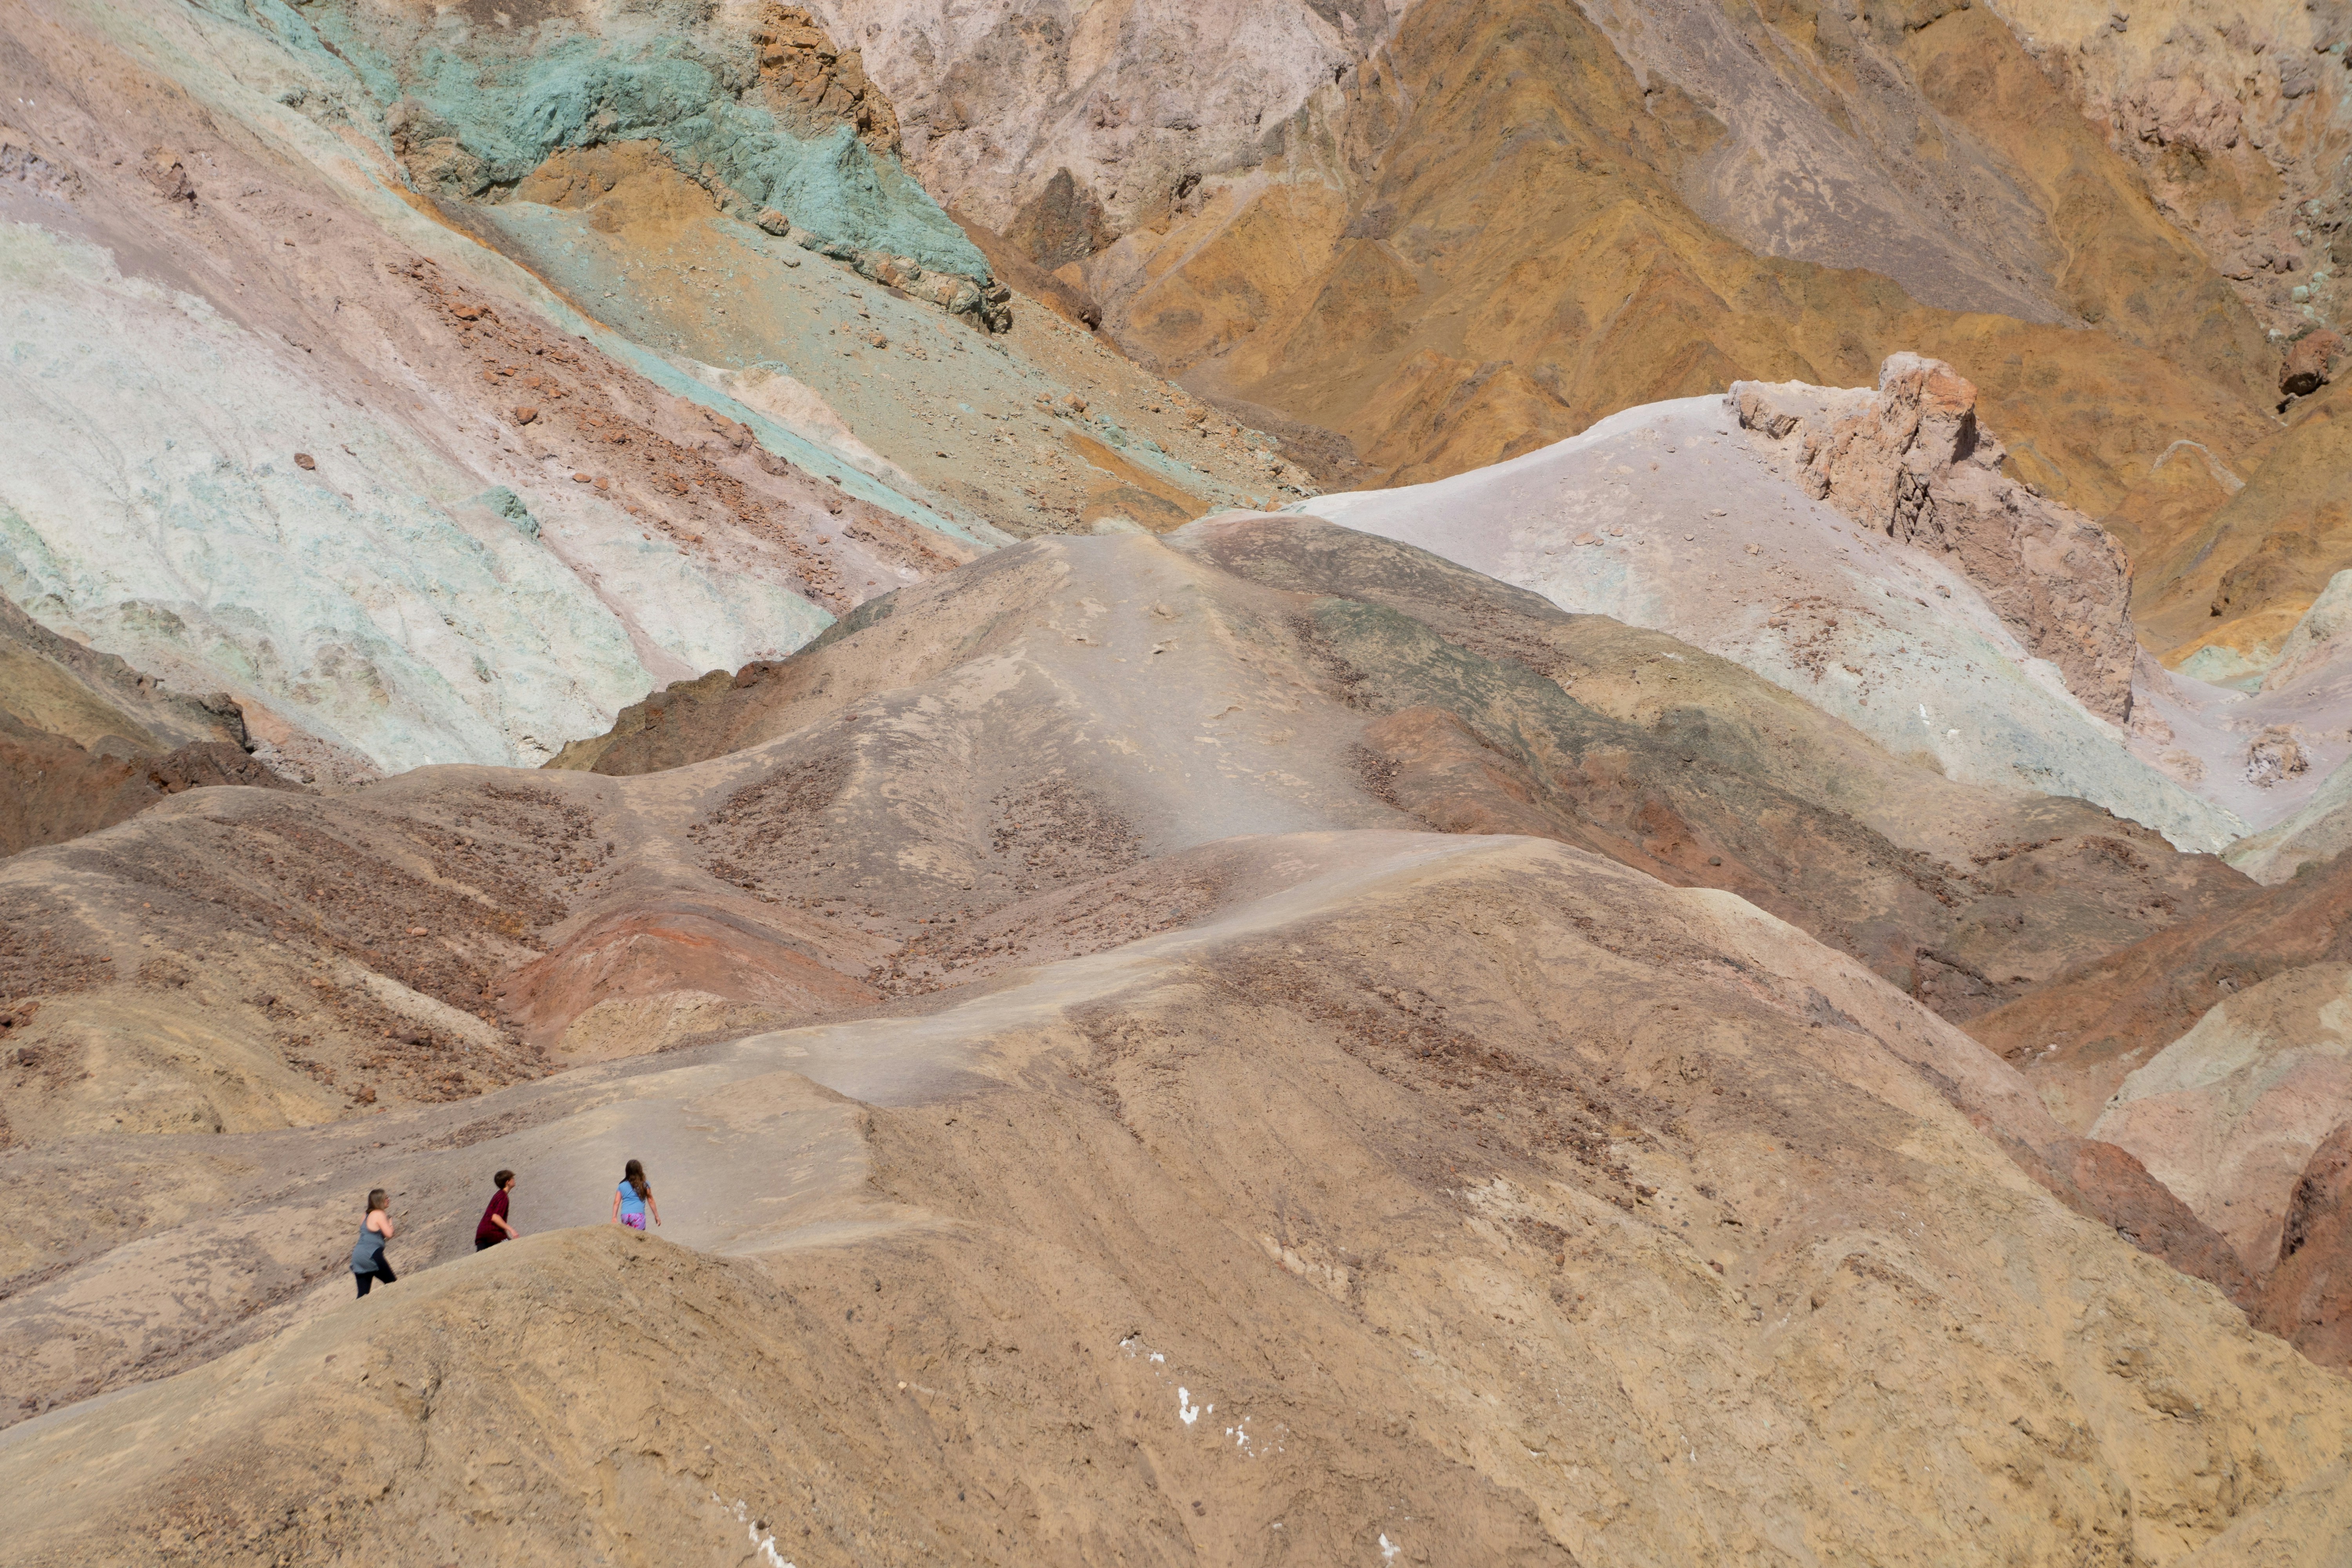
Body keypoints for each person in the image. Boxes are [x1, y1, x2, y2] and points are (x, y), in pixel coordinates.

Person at [351, 1189, 396, 1297]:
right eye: (386, 1198)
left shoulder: (366, 1215)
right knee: (393, 1284)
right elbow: (389, 1234)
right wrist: (390, 1224)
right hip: (371, 1255)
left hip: (358, 1256)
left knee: (363, 1294)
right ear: (379, 1201)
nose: (389, 1199)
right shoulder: (379, 1214)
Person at [475, 1169, 519, 1251]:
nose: (514, 1180)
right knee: (512, 1249)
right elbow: (495, 1217)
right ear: (508, 1182)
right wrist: (512, 1230)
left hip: (482, 1232)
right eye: (512, 1178)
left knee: (481, 1258)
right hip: (492, 1233)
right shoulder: (503, 1197)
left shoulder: (498, 1195)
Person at [611, 1158, 660, 1231]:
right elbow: (651, 1200)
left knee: (628, 1237)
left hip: (625, 1215)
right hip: (638, 1216)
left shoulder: (622, 1185)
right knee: (639, 1238)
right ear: (640, 1171)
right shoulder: (645, 1184)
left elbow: (616, 1202)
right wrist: (657, 1216)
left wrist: (614, 1217)